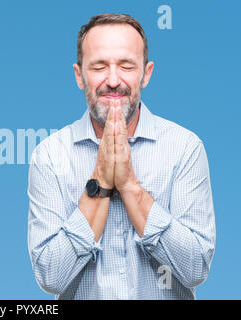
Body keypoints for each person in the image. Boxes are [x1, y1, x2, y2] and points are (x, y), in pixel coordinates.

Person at [27, 13, 216, 299]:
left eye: (126, 66)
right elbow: (51, 275)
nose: (113, 81)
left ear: (146, 73)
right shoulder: (50, 157)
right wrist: (100, 183)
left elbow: (195, 267)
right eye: (99, 66)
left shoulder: (185, 148)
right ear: (79, 76)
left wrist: (130, 186)